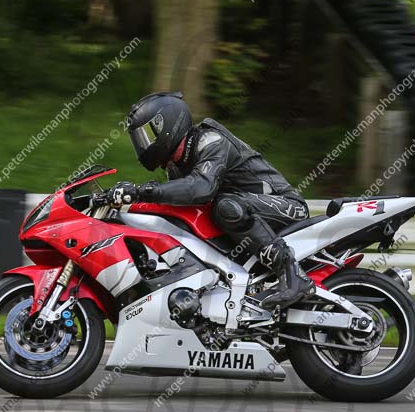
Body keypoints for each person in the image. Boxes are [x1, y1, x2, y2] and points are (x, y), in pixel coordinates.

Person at [107, 92, 315, 310]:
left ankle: (293, 275)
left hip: (286, 205)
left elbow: (201, 188)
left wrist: (142, 191)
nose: (144, 145)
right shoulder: (176, 167)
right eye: (139, 139)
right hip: (248, 213)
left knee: (227, 207)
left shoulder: (210, 140)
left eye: (147, 135)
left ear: (167, 123)